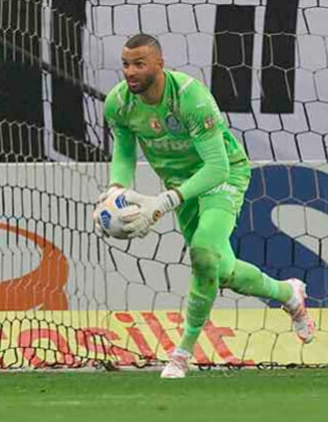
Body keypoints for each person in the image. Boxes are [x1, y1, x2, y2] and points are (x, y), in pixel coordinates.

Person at [94, 33, 316, 378]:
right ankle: (288, 292)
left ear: (159, 64)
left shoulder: (190, 98)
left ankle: (182, 352)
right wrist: (115, 189)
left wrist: (165, 202)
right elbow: (123, 152)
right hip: (181, 187)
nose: (130, 71)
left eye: (139, 63)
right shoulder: (119, 103)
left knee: (202, 252)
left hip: (222, 177)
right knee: (220, 270)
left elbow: (217, 167)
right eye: (125, 64)